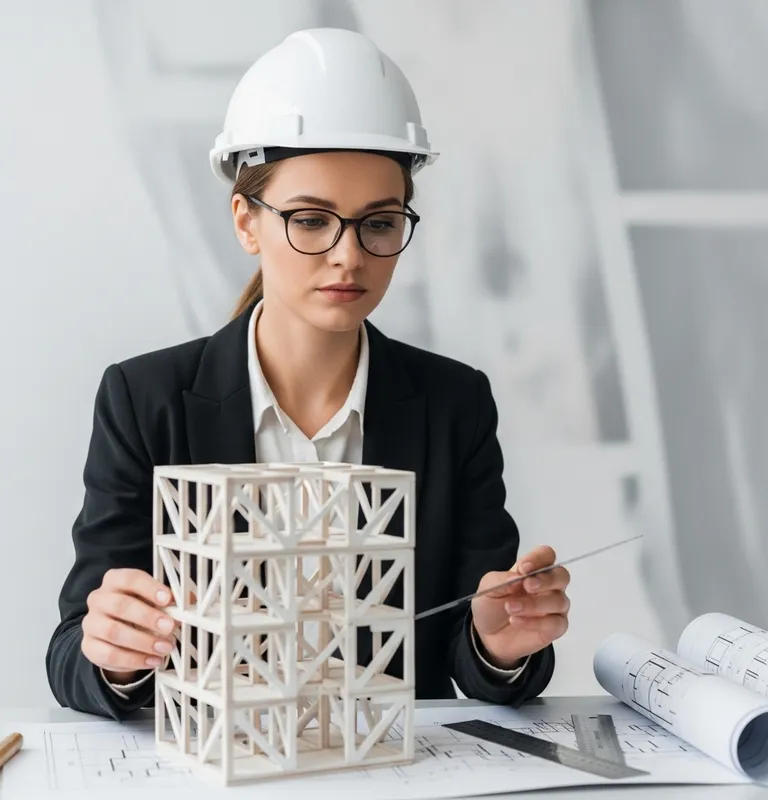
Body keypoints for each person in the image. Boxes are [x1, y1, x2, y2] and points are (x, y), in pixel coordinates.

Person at [46, 27, 570, 721]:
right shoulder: (146, 401)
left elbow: (470, 648)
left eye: (379, 224)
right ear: (246, 221)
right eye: (311, 220)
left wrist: (499, 646)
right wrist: (111, 653)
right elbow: (70, 655)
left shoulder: (453, 404)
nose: (348, 256)